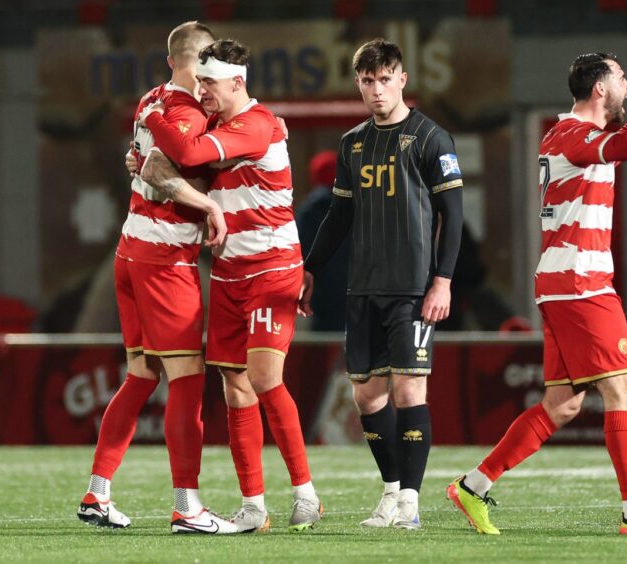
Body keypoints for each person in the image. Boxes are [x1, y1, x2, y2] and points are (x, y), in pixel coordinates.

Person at [447, 53, 627, 535]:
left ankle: (473, 486)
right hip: (580, 284)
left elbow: (623, 142)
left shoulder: (580, 137)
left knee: (563, 404)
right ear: (599, 88)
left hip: (569, 282)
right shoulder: (571, 136)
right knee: (621, 387)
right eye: (621, 76)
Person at [139, 38, 323, 533]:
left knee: (264, 378)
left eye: (210, 83)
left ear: (237, 83)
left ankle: (305, 493)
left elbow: (185, 150)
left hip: (271, 270)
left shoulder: (259, 124)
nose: (202, 91)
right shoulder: (218, 123)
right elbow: (171, 167)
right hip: (228, 272)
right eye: (198, 82)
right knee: (235, 388)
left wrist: (151, 116)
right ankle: (254, 506)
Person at [76, 21, 239, 535]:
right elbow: (164, 175)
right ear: (205, 60)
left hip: (129, 250)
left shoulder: (152, 99)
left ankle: (97, 493)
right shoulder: (191, 110)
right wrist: (209, 204)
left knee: (141, 375)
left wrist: (144, 164)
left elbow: (145, 164)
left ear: (170, 59)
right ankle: (187, 507)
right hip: (164, 259)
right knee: (187, 382)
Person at [298, 38, 464, 530]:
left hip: (413, 288)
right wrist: (310, 267)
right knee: (366, 397)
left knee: (410, 389)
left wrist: (443, 281)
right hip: (362, 288)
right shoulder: (352, 144)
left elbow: (452, 216)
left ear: (402, 80)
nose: (377, 90)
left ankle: (411, 503)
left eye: (385, 79)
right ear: (358, 83)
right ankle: (391, 491)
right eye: (368, 81)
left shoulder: (432, 138)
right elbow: (339, 214)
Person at [295, 150, 349, 332]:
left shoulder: (309, 211)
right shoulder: (359, 206)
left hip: (321, 295)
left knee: (323, 351)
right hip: (355, 293)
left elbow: (300, 252)